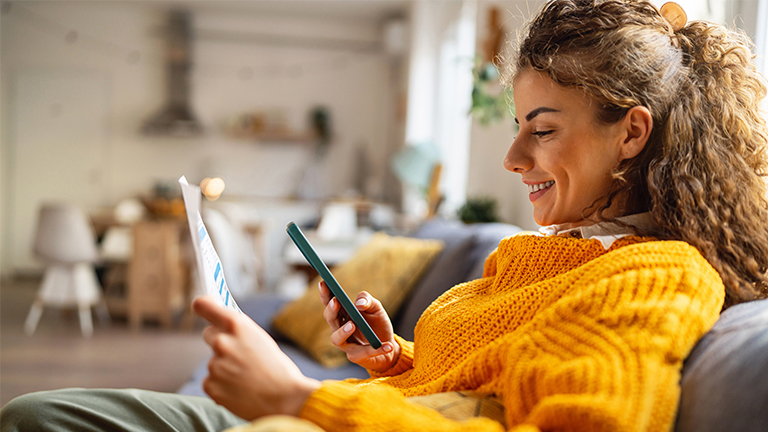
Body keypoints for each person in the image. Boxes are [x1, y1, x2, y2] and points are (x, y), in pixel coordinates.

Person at [3, 0, 768, 431]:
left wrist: (297, 394)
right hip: (346, 410)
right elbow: (475, 387)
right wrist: (393, 357)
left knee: (42, 421)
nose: (511, 158)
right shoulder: (539, 254)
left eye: (542, 128)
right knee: (41, 413)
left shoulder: (653, 275)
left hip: (319, 417)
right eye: (517, 126)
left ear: (630, 133)